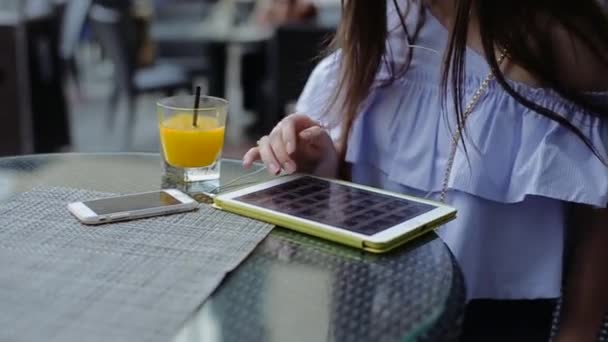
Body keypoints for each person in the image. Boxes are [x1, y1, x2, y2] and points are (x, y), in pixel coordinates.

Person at [243, 0, 608, 340]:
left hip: (492, 316)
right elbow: (358, 178)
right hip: (364, 303)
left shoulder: (559, 42)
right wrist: (317, 161)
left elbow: (596, 215)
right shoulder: (386, 20)